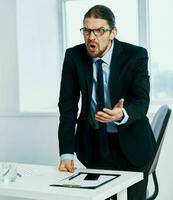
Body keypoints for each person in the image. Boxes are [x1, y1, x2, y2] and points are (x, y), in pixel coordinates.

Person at [57, 5, 156, 200]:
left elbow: (141, 101)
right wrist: (66, 153)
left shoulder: (135, 56)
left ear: (112, 33)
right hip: (95, 148)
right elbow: (67, 107)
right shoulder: (74, 57)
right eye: (87, 30)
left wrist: (122, 114)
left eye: (99, 31)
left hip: (133, 147)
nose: (91, 37)